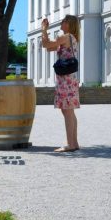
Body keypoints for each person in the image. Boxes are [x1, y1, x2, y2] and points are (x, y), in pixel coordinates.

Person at [41, 15, 80, 152]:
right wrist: (45, 33)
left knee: (67, 111)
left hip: (65, 80)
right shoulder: (71, 38)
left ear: (68, 24)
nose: (61, 22)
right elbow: (47, 47)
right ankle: (74, 143)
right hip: (70, 78)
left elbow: (46, 44)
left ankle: (70, 144)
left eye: (63, 21)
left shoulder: (65, 37)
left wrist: (44, 29)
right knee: (69, 111)